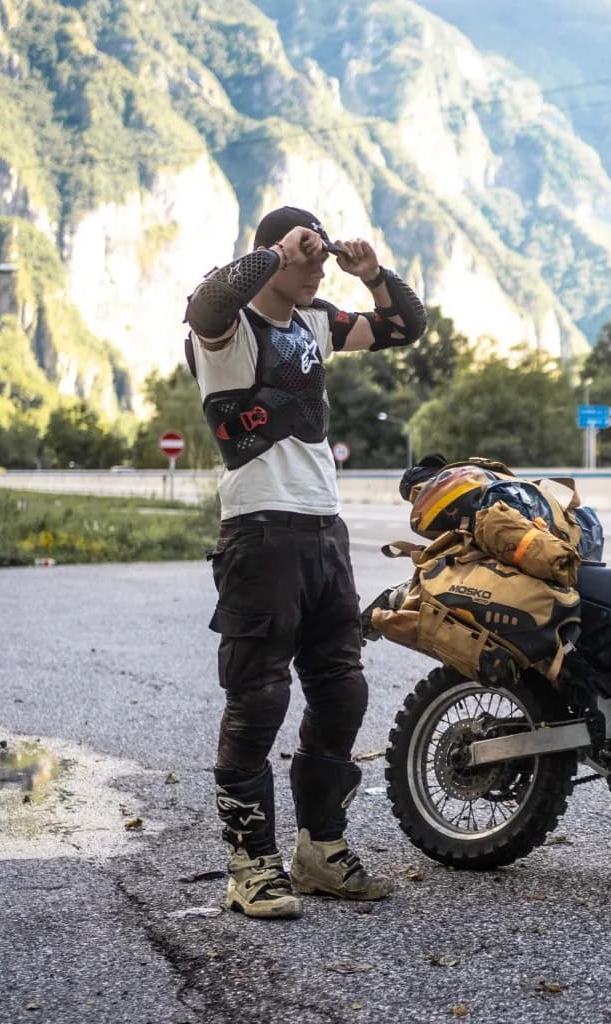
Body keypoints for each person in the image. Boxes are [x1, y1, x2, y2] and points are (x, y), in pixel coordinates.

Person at [182, 205, 427, 919]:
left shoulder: (315, 321)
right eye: (307, 255)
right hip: (258, 531)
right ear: (271, 255)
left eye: (321, 256)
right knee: (258, 699)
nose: (318, 267)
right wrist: (274, 251)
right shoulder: (225, 328)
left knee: (342, 690)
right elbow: (211, 299)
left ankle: (320, 851)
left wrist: (372, 273)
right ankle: (250, 866)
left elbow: (405, 328)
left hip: (324, 530)